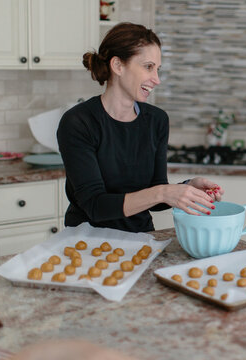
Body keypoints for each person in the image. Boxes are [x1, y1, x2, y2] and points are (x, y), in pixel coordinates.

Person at [57, 22, 223, 233]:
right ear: (118, 66)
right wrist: (164, 192)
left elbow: (155, 193)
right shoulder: (78, 122)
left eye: (158, 69)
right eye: (148, 67)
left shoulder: (156, 120)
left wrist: (185, 188)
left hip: (141, 239)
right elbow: (95, 206)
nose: (157, 79)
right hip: (85, 243)